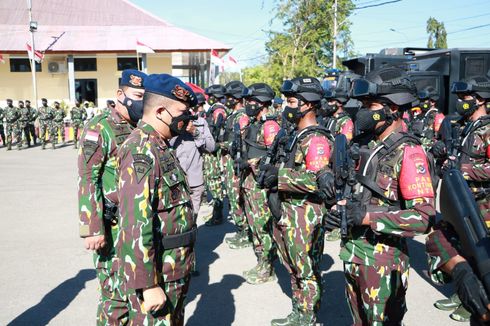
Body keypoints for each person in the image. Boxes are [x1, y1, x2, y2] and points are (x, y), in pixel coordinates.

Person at [321, 66, 436, 325]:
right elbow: (358, 195)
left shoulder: (408, 152)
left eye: (369, 105)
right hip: (353, 254)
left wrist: (364, 217)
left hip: (382, 263)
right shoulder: (368, 146)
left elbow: (423, 218)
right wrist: (338, 212)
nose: (362, 112)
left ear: (393, 108)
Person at [115, 73, 197, 325]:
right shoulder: (141, 150)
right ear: (161, 111)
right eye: (183, 111)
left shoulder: (161, 146)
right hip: (159, 274)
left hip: (174, 269)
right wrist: (147, 284)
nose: (188, 118)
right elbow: (134, 223)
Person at [262, 77, 333, 325]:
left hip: (305, 213)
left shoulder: (316, 139)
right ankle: (300, 310)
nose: (286, 107)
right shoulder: (296, 135)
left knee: (305, 269)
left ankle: (308, 316)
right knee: (293, 266)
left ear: (308, 105)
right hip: (289, 211)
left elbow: (319, 181)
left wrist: (279, 177)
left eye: (292, 101)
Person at [78, 69, 147, 324]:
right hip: (113, 226)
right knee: (115, 295)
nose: (141, 101)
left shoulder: (138, 126)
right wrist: (92, 228)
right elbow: (87, 177)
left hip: (136, 225)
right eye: (137, 95)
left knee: (136, 292)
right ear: (120, 94)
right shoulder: (99, 128)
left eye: (145, 96)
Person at [426, 76, 490, 324]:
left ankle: (478, 302)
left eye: (466, 98)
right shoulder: (466, 127)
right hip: (463, 199)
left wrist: (463, 169)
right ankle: (463, 294)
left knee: (479, 251)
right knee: (461, 246)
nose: (461, 103)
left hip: (484, 205)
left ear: (481, 99)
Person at [238, 82, 280, 284]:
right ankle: (261, 261)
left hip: (261, 184)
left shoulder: (270, 126)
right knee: (254, 224)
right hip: (249, 182)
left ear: (262, 102)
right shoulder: (253, 124)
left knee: (263, 226)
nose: (248, 104)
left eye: (252, 101)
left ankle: (267, 267)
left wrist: (250, 162)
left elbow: (273, 158)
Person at [170, 92, 215, 217]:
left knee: (192, 218)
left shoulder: (200, 122)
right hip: (174, 182)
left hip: (194, 180)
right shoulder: (168, 121)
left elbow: (211, 147)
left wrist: (195, 132)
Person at [318, 88, 355, 242]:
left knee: (340, 193)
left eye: (332, 101)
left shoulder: (346, 121)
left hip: (340, 159)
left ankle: (339, 225)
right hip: (329, 160)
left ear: (339, 103)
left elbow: (345, 142)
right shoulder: (330, 119)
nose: (328, 104)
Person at [220, 81, 251, 247]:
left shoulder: (241, 116)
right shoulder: (233, 115)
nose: (227, 99)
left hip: (236, 161)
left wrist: (220, 145)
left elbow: (240, 142)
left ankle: (244, 232)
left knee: (236, 197)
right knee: (233, 197)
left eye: (230, 97)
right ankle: (242, 229)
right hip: (230, 161)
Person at [203, 84, 228, 226]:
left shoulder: (218, 110)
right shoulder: (217, 109)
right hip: (213, 148)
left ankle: (217, 215)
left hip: (214, 150)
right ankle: (216, 212)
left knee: (214, 180)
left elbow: (217, 131)